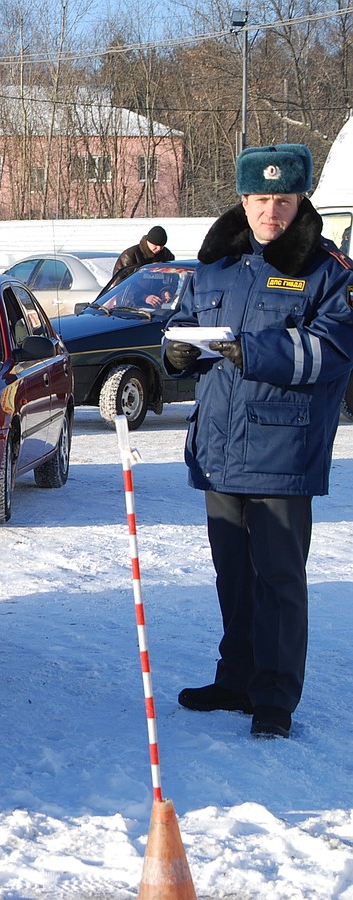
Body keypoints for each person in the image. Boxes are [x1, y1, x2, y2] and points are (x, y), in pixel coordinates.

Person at [162, 144, 353, 739]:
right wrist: (175, 353)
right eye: (262, 199)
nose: (272, 212)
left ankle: (274, 696)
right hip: (219, 451)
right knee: (233, 577)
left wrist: (256, 351)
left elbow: (333, 352)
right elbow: (186, 337)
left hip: (283, 454)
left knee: (278, 581)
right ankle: (236, 678)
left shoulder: (328, 271)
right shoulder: (214, 266)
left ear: (301, 202)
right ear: (243, 201)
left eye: (285, 200)